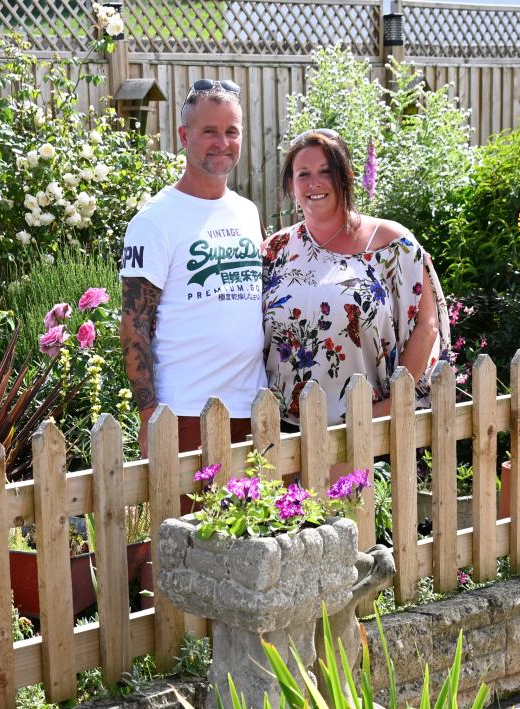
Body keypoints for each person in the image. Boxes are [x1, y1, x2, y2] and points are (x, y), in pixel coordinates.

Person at [262, 128, 451, 426]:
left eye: (326, 171)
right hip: (286, 430)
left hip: (370, 424)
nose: (314, 183)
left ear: (347, 175)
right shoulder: (275, 250)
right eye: (303, 173)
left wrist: (392, 406)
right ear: (290, 183)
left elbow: (426, 326)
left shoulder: (392, 244)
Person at [120, 80, 264, 454]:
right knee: (185, 516)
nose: (222, 142)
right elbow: (134, 322)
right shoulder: (155, 220)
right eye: (209, 131)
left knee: (249, 514)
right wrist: (148, 413)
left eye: (232, 131)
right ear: (184, 136)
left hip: (252, 407)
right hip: (185, 412)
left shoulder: (247, 212)